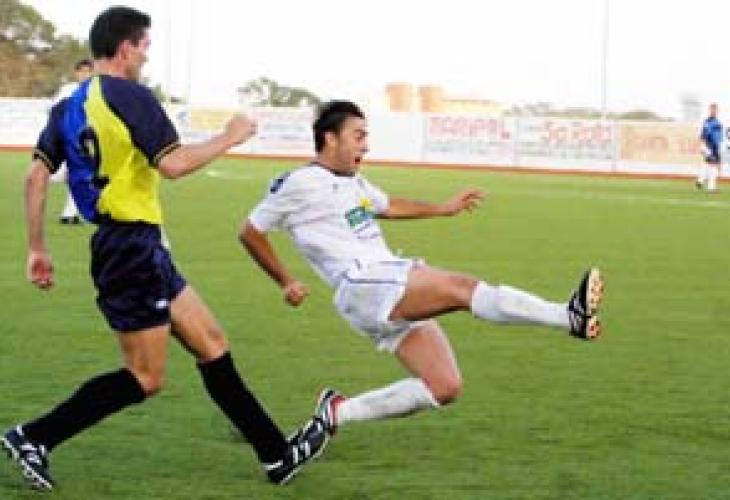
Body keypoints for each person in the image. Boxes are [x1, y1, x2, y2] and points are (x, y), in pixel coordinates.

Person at [2, 6, 326, 491]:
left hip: (134, 246)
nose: (147, 56)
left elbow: (35, 176)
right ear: (125, 47)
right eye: (145, 46)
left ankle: (276, 455)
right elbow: (173, 165)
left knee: (212, 343)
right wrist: (230, 136)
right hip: (130, 248)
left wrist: (36, 248)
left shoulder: (68, 107)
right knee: (145, 377)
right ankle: (34, 437)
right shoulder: (129, 95)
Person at [239, 100, 604, 447]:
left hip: (379, 284)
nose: (366, 145)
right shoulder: (301, 182)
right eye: (358, 136)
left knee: (444, 386)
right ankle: (567, 316)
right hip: (363, 282)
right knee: (461, 288)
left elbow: (389, 206)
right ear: (330, 138)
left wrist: (443, 209)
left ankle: (337, 413)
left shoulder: (355, 182)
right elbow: (251, 231)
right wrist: (285, 281)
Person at [49, 58, 94, 224]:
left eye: (88, 71)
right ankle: (40, 180)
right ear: (76, 73)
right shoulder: (67, 90)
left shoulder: (94, 91)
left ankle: (69, 215)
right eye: (82, 71)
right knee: (60, 174)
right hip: (64, 138)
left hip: (81, 141)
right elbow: (52, 111)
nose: (85, 74)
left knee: (80, 175)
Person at [697, 102, 723, 192]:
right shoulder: (708, 122)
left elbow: (719, 136)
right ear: (710, 110)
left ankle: (700, 180)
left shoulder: (717, 122)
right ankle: (711, 187)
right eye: (713, 109)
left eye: (715, 109)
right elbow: (703, 134)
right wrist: (703, 146)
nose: (714, 111)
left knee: (708, 164)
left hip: (715, 146)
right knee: (713, 165)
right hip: (710, 146)